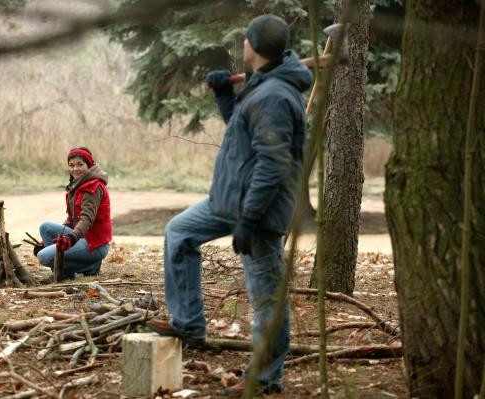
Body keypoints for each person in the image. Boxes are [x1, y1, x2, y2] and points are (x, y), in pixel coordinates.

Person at [147, 14, 312, 395]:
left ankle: (264, 378)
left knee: (265, 295)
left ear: (251, 45)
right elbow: (241, 131)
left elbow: (273, 164)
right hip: (228, 201)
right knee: (180, 233)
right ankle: (188, 321)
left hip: (257, 210)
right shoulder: (264, 87)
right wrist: (225, 96)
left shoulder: (274, 94)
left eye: (245, 40)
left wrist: (250, 220)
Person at [34, 147, 112, 282]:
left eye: (80, 165)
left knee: (43, 257)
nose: (75, 169)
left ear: (89, 165)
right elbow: (72, 219)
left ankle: (90, 266)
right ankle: (66, 274)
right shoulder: (78, 184)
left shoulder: (92, 187)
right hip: (83, 237)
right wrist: (51, 241)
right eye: (71, 165)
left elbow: (86, 219)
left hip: (94, 243)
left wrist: (71, 238)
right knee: (45, 227)